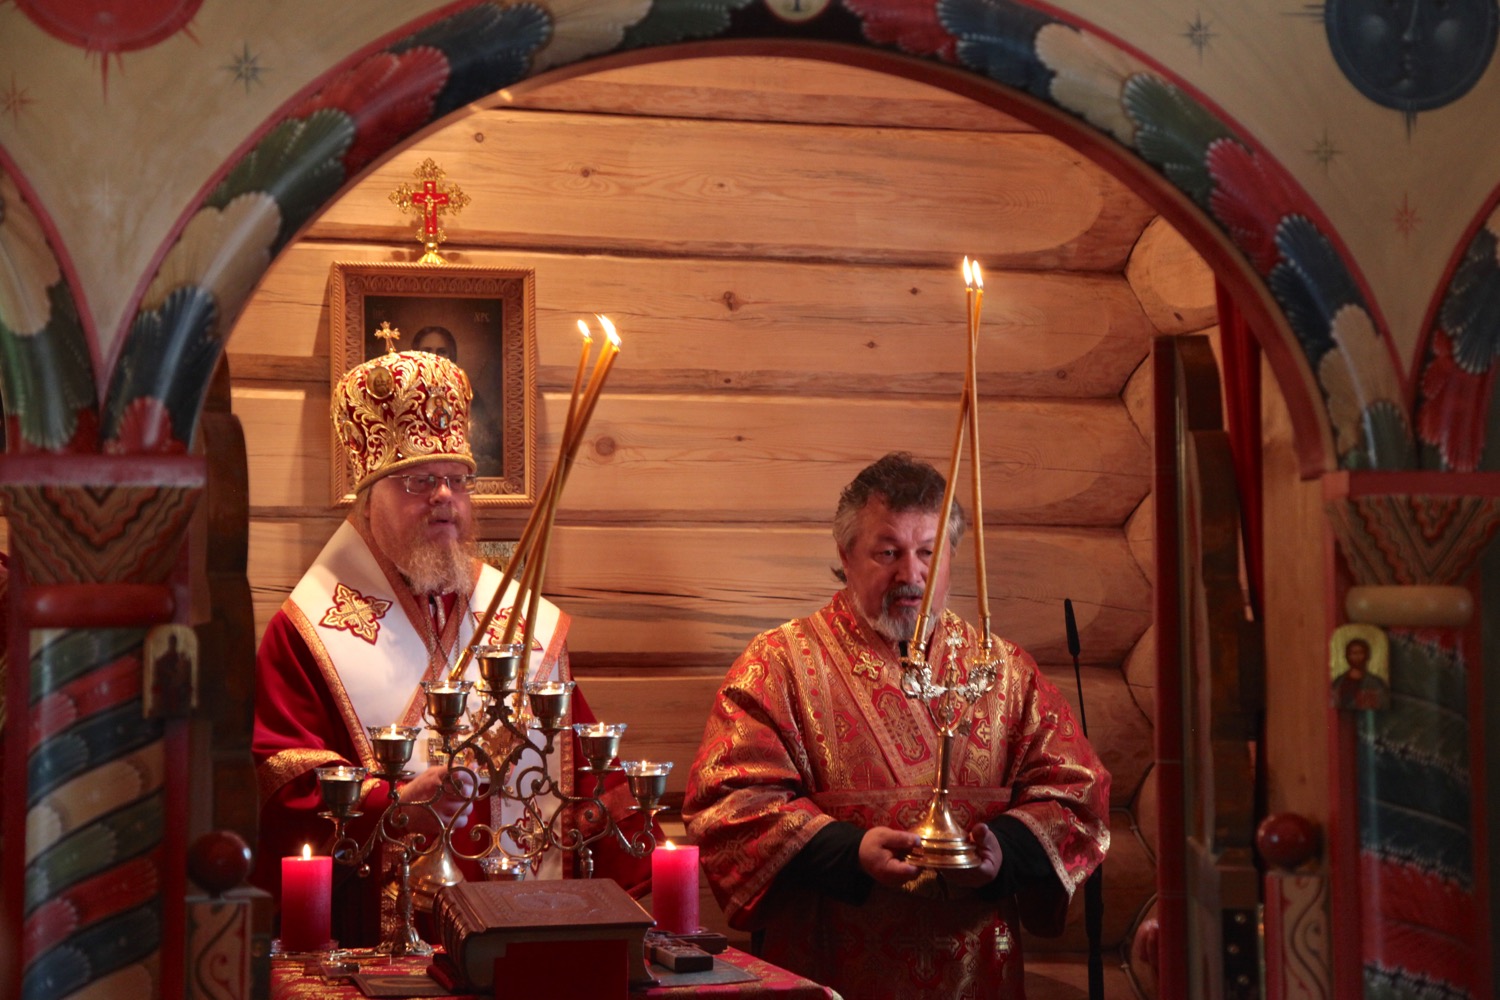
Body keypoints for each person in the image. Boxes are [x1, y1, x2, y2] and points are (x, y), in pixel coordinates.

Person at [252, 345, 645, 947]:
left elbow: (579, 763)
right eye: (419, 480)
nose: (444, 497)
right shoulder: (306, 630)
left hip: (519, 934)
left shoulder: (519, 619)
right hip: (377, 941)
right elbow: (287, 784)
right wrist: (393, 804)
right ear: (369, 496)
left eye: (457, 480)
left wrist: (635, 874)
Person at [683, 452, 1111, 999]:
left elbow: (1077, 794)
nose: (911, 575)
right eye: (888, 553)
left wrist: (1002, 851)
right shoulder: (779, 665)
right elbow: (730, 805)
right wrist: (851, 852)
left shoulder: (1003, 671)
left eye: (928, 551)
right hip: (829, 964)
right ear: (847, 555)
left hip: (978, 971)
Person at [1333, 636, 1389, 711]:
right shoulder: (1338, 682)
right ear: (1347, 656)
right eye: (1354, 653)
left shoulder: (1377, 683)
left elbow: (1383, 705)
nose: (1357, 656)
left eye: (1360, 653)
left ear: (1367, 655)